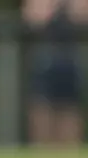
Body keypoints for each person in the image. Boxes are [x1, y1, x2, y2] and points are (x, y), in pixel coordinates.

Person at [24, 0, 87, 148]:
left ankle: (70, 150)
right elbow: (32, 18)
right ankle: (41, 149)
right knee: (41, 106)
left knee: (70, 108)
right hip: (46, 56)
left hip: (70, 58)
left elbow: (82, 16)